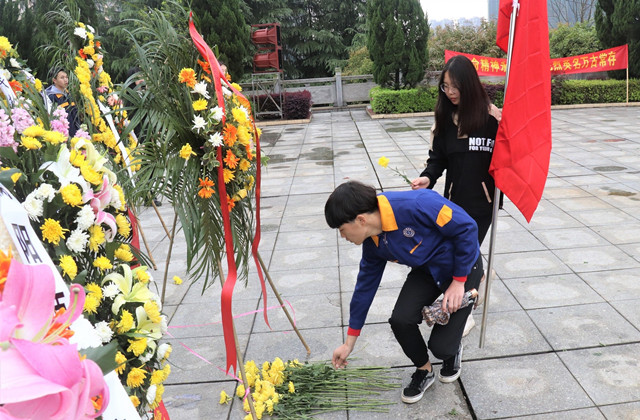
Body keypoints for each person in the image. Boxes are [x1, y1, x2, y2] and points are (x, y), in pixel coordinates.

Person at [325, 180, 483, 404]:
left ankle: (453, 346)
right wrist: (349, 343)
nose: (343, 237)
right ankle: (424, 370)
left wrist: (458, 282)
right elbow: (364, 288)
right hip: (427, 270)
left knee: (441, 348)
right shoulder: (373, 243)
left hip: (463, 266)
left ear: (361, 220)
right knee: (400, 319)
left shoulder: (419, 204)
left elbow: (467, 227)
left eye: (342, 230)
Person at [410, 55, 501, 334]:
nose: (450, 92)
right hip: (453, 202)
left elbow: (509, 158)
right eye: (445, 86)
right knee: (458, 253)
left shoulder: (491, 119)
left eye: (455, 86)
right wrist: (428, 177)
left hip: (483, 203)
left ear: (469, 84)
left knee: (466, 254)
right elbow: (438, 159)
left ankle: (465, 312)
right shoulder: (445, 119)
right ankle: (480, 280)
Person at [44, 67, 80, 137]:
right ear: (54, 80)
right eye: (62, 78)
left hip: (76, 134)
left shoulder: (68, 94)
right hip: (64, 135)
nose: (65, 80)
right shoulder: (51, 97)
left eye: (66, 77)